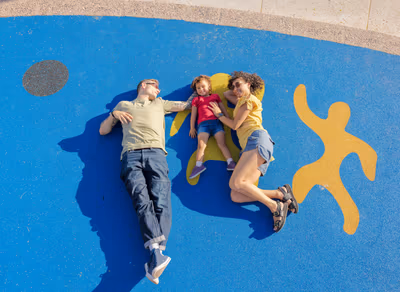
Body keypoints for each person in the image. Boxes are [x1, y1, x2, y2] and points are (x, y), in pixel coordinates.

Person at [99, 79, 194, 284]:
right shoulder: (124, 105)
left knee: (162, 201)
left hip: (156, 154)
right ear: (143, 85)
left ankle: (155, 255)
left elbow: (187, 105)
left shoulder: (160, 103)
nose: (158, 89)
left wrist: (202, 90)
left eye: (159, 87)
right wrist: (113, 115)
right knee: (141, 200)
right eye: (154, 85)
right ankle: (156, 255)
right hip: (130, 156)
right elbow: (103, 131)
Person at [208, 71, 299, 232]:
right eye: (234, 86)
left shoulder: (248, 100)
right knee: (236, 195)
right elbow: (226, 94)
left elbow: (235, 125)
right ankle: (280, 194)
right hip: (254, 146)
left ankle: (275, 207)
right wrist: (237, 87)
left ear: (249, 84)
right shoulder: (241, 102)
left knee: (235, 183)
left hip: (256, 140)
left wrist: (219, 115)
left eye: (239, 85)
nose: (235, 89)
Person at [188, 75, 236, 179]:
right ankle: (198, 166)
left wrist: (228, 120)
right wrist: (192, 127)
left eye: (203, 86)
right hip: (203, 125)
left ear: (209, 86)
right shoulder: (196, 100)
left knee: (222, 144)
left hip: (217, 123)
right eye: (198, 88)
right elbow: (193, 115)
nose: (201, 89)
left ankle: (230, 162)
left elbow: (223, 109)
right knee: (201, 145)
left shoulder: (215, 96)